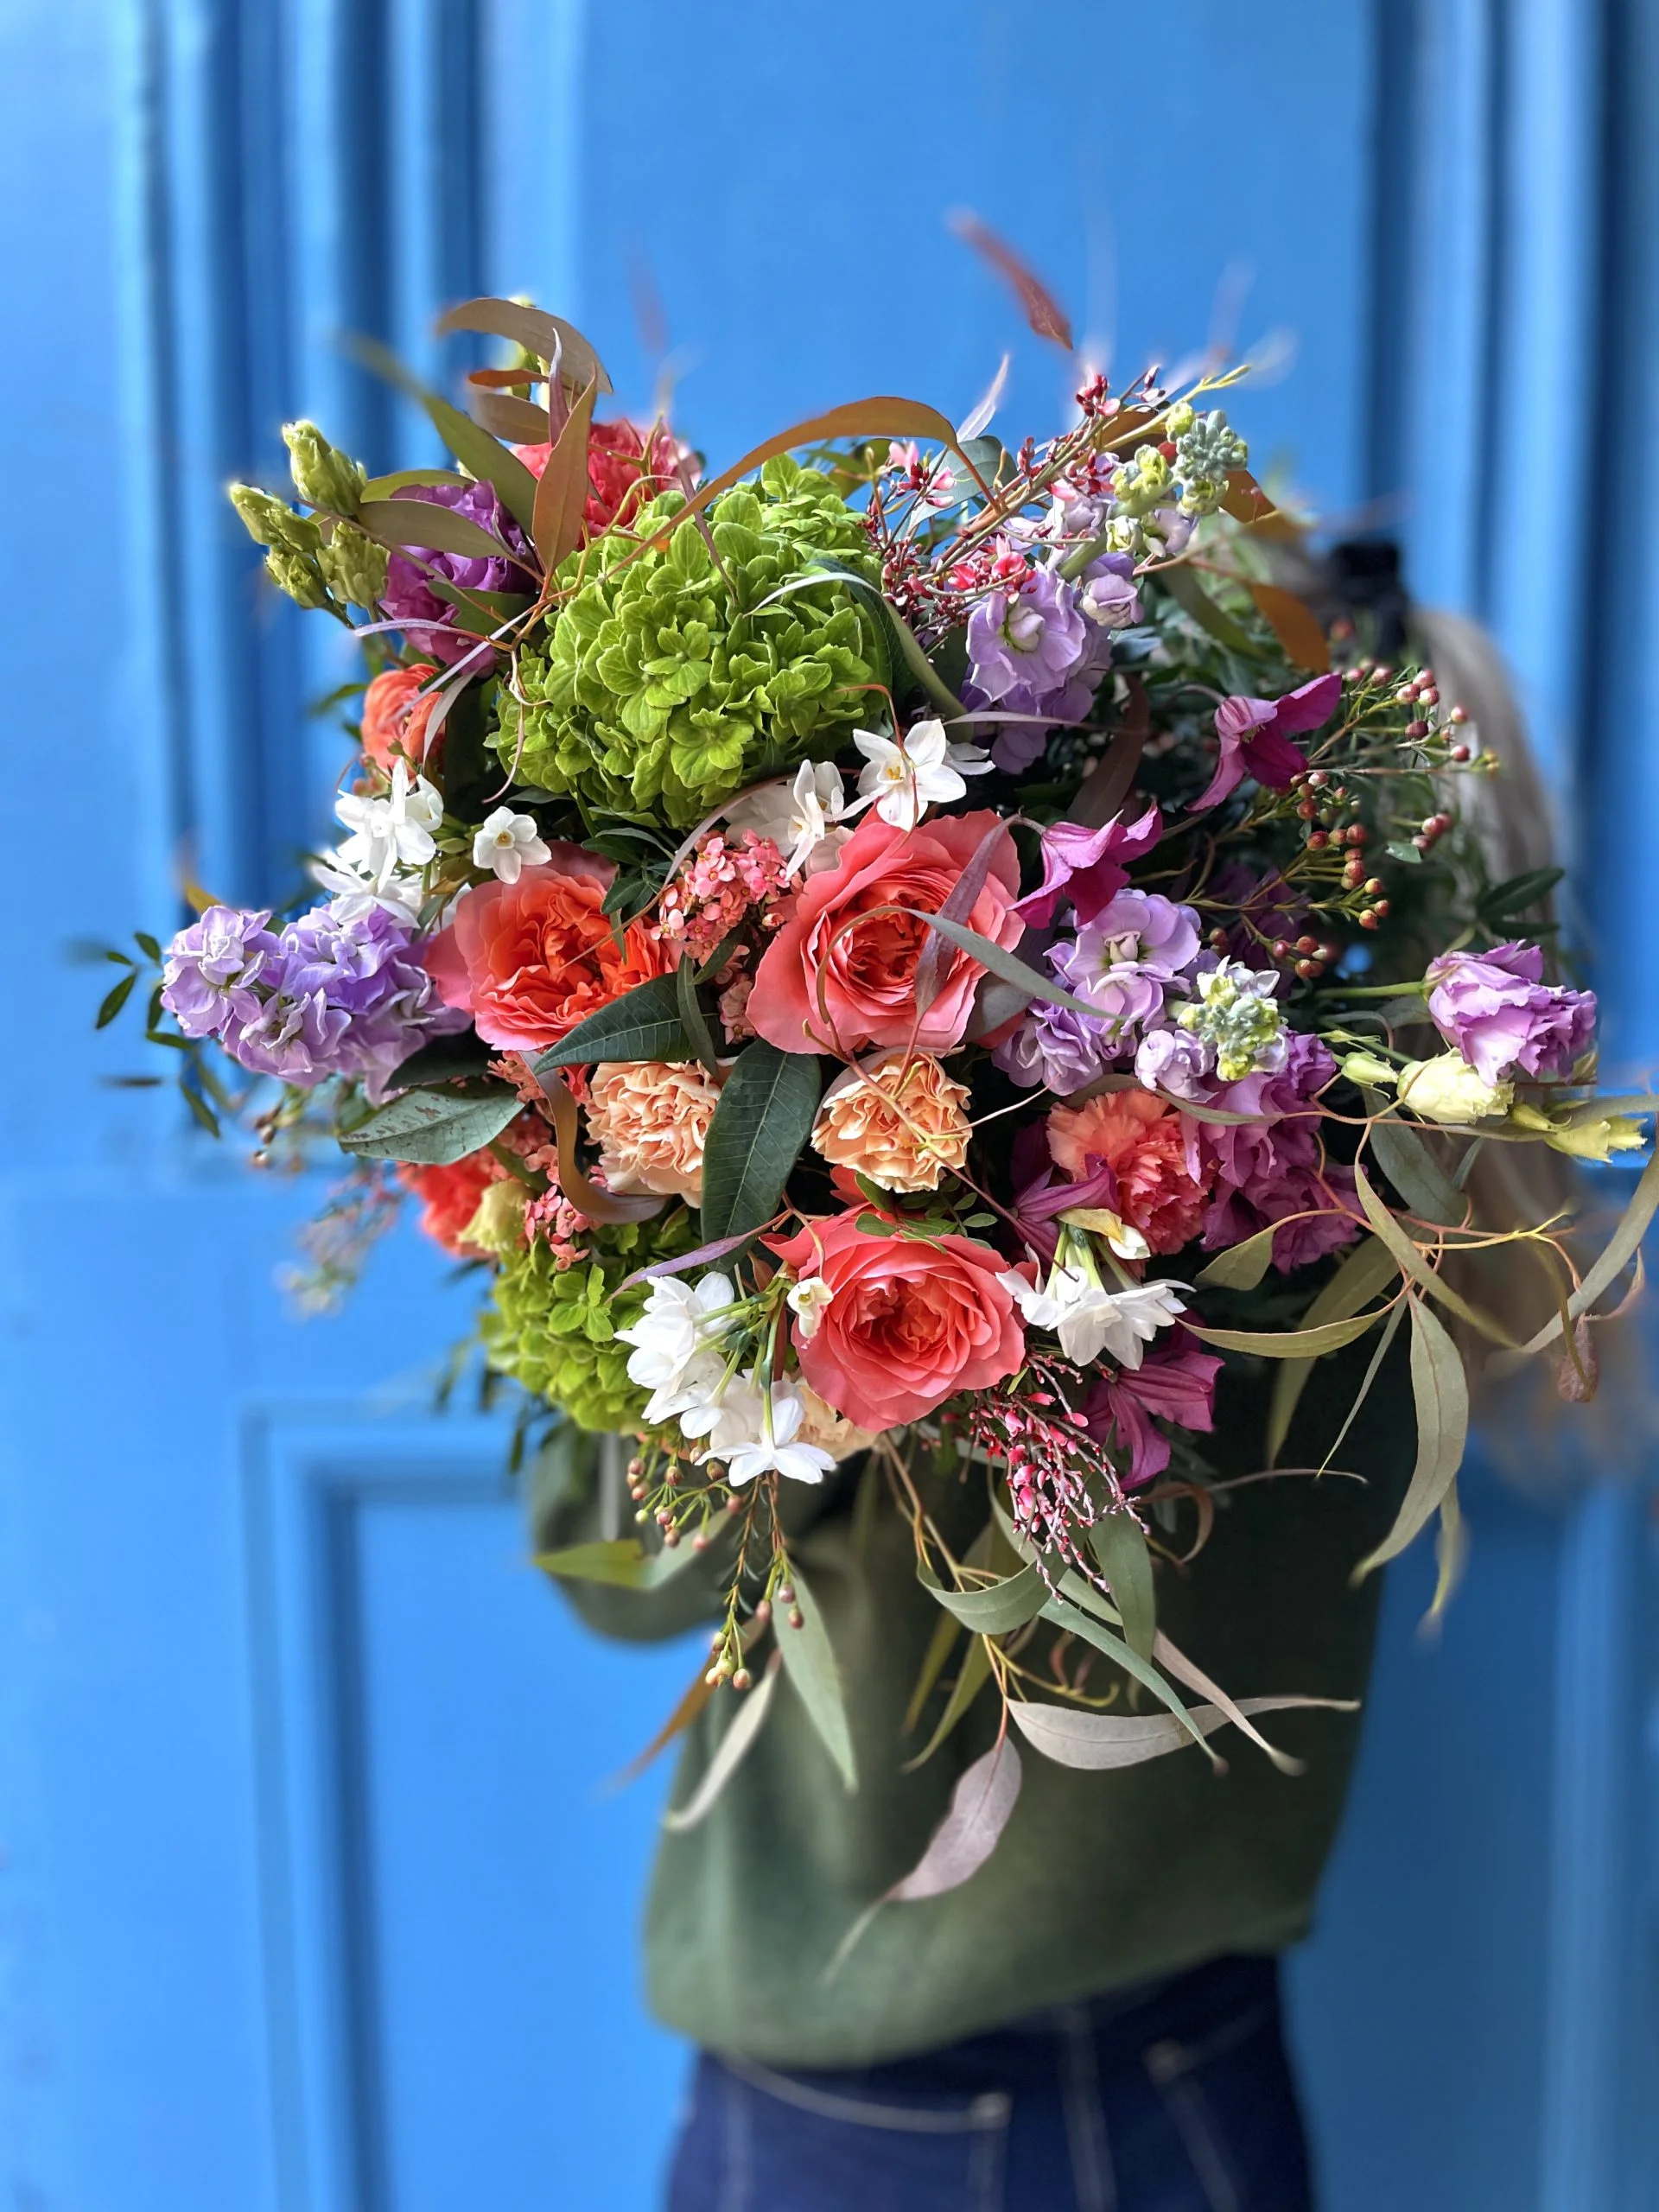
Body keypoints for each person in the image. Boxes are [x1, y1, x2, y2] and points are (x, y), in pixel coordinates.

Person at [531, 564, 1556, 2211]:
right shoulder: (1405, 1244)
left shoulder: (983, 1197)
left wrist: (631, 1185)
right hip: (1199, 2078)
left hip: (870, 2116)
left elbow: (638, 1586)